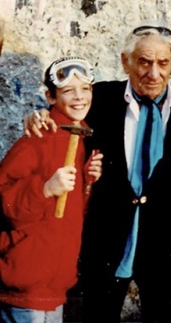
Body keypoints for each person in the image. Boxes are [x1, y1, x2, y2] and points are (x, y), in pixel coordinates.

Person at [27, 25, 171, 323]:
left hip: (165, 244)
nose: (154, 73)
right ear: (126, 62)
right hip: (107, 241)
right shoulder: (99, 99)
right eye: (144, 62)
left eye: (163, 63)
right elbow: (63, 115)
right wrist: (39, 116)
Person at [0, 57, 103, 323]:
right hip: (25, 284)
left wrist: (88, 184)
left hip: (55, 286)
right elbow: (3, 200)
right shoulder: (37, 138)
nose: (79, 97)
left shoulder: (78, 139)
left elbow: (67, 215)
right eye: (68, 90)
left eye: (86, 89)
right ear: (50, 96)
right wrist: (45, 189)